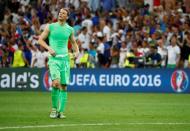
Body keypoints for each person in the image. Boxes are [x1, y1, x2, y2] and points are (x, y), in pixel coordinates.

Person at [38, 8, 79, 119]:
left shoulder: (70, 29)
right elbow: (40, 39)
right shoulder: (50, 26)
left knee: (64, 86)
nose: (60, 14)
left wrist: (77, 52)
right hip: (54, 59)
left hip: (65, 60)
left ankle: (61, 112)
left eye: (63, 13)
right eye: (60, 12)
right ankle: (54, 109)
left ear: (67, 16)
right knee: (56, 83)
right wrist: (48, 48)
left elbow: (74, 43)